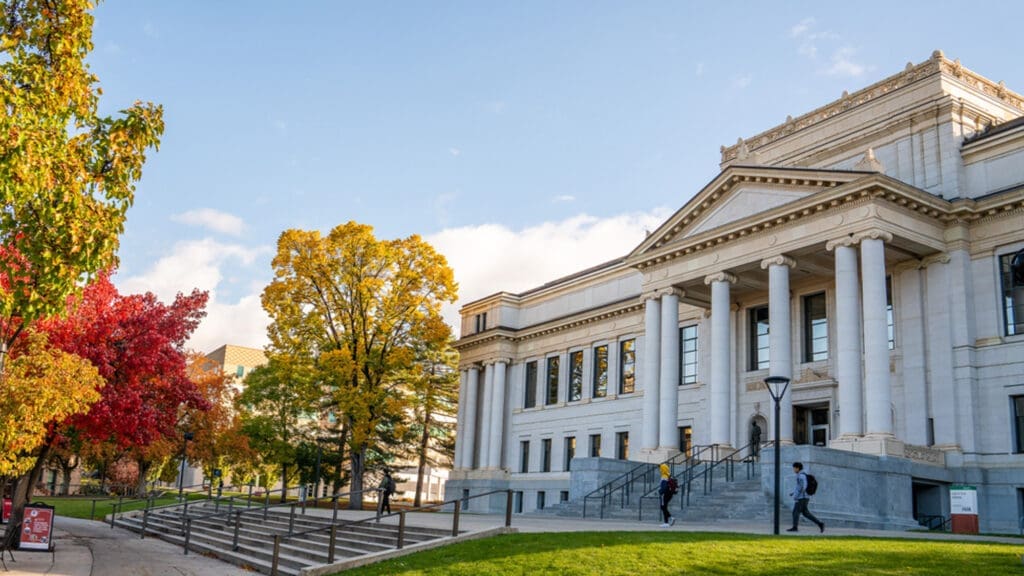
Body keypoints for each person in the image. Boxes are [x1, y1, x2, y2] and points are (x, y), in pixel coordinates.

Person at [787, 462, 824, 533]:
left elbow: (803, 486)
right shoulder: (802, 475)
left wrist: (796, 496)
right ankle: (820, 524)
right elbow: (799, 487)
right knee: (805, 513)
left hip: (802, 498)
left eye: (794, 468)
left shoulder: (800, 476)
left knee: (795, 512)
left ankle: (795, 527)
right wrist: (793, 493)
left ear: (797, 468)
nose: (793, 469)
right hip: (805, 497)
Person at [657, 463, 675, 527]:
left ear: (663, 469)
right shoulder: (669, 475)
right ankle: (669, 519)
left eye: (661, 468)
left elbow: (664, 487)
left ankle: (667, 522)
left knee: (663, 507)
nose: (660, 470)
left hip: (665, 494)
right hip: (670, 494)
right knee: (664, 507)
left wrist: (660, 492)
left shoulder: (664, 476)